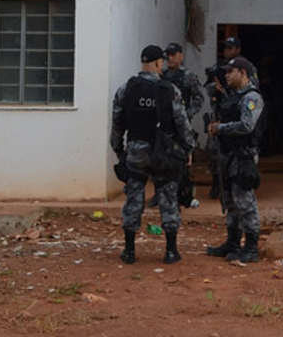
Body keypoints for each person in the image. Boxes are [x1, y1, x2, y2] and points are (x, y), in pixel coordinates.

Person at [110, 45, 195, 264]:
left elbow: (117, 123)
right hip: (163, 152)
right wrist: (187, 150)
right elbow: (182, 123)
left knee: (133, 199)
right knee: (168, 198)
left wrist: (119, 149)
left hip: (136, 151)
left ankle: (129, 251)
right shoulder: (170, 90)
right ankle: (170, 251)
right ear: (159, 63)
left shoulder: (126, 89)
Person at [206, 56, 263, 262]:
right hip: (228, 156)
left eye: (231, 72)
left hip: (243, 156)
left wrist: (220, 128)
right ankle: (232, 241)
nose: (227, 76)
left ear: (243, 73)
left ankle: (251, 246)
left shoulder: (251, 98)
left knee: (245, 203)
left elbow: (247, 125)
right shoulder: (232, 96)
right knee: (230, 201)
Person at [147, 42, 204, 208]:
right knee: (160, 160)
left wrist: (187, 114)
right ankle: (159, 194)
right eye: (167, 56)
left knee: (182, 161)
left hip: (181, 126)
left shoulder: (187, 75)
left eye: (173, 55)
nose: (170, 59)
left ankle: (182, 194)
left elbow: (198, 98)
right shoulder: (162, 75)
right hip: (164, 127)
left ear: (181, 56)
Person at [205, 37, 258, 198]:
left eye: (231, 48)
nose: (227, 50)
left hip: (239, 134)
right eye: (226, 47)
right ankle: (217, 183)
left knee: (242, 190)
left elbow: (247, 124)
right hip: (223, 113)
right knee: (215, 152)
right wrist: (214, 89)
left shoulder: (246, 69)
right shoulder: (217, 68)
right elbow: (208, 88)